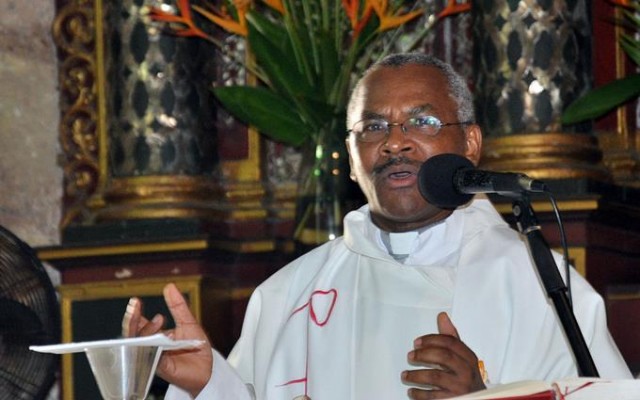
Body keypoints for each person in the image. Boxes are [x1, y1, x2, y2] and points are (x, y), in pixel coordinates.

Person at [122, 53, 632, 399]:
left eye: (422, 122)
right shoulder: (291, 294)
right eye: (373, 128)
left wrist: (481, 399)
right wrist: (211, 383)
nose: (395, 143)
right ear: (350, 157)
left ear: (471, 144)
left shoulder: (537, 282)